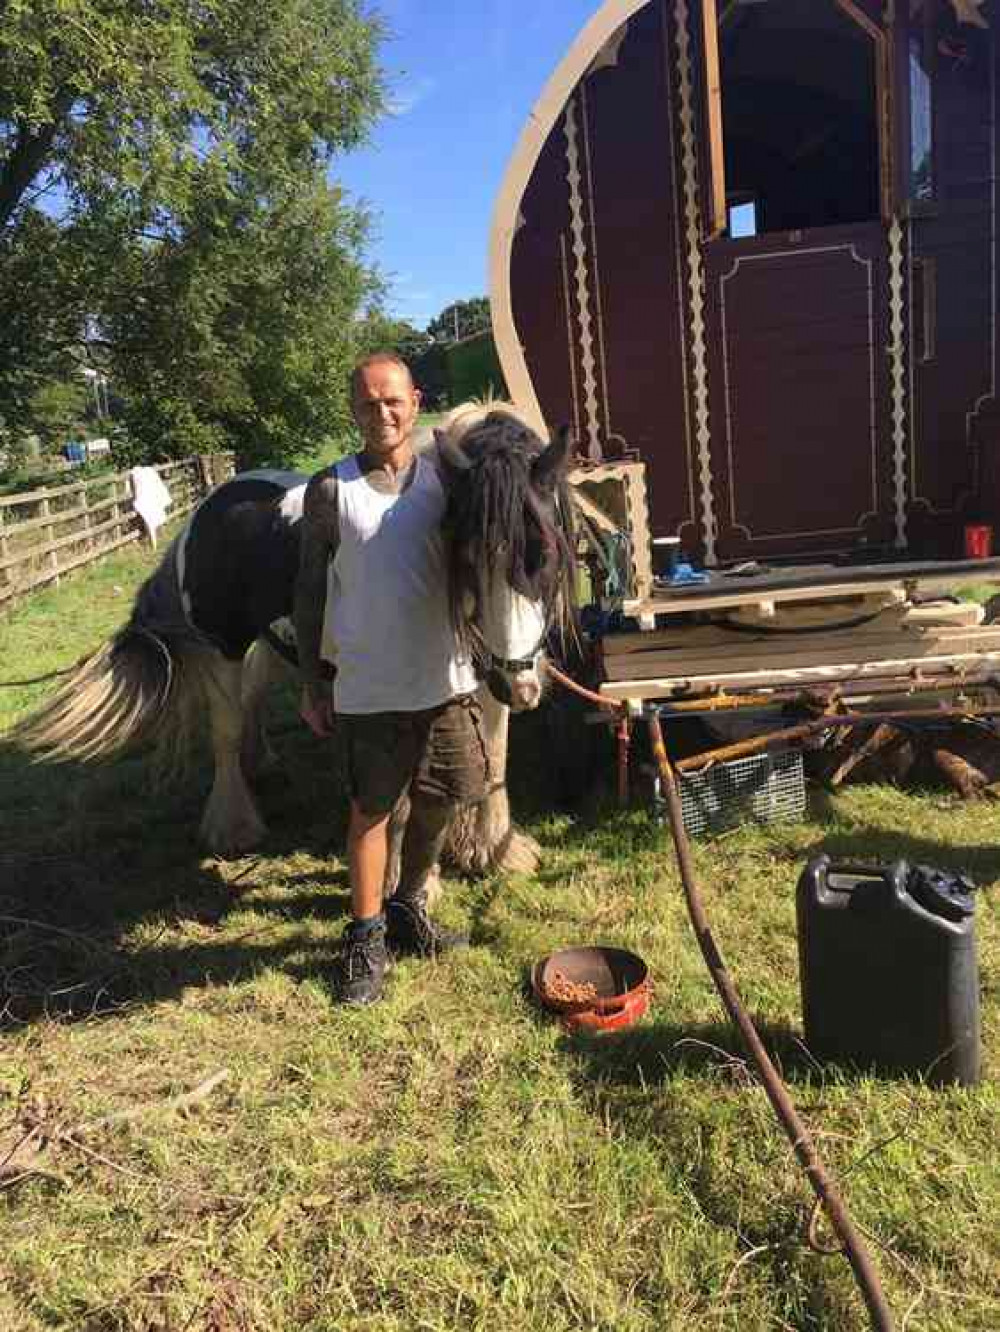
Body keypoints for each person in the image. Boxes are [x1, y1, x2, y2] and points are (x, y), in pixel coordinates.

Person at [294, 353, 488, 1006]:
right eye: (369, 402)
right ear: (353, 409)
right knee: (371, 813)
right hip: (369, 690)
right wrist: (313, 682)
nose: (383, 413)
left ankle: (408, 906)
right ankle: (365, 938)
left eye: (394, 401)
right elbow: (310, 590)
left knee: (444, 795)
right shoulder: (331, 490)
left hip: (446, 683)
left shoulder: (448, 483)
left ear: (415, 402)